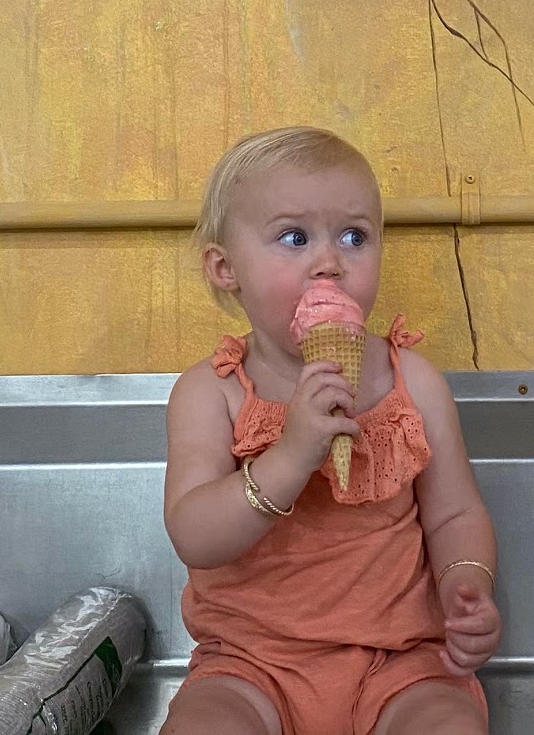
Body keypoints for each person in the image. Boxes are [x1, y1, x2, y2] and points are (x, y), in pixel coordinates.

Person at [160, 127, 500, 734]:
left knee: (450, 727)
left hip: (401, 662)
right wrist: (289, 455)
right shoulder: (210, 393)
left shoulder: (412, 383)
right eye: (294, 238)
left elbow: (454, 515)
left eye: (354, 236)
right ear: (225, 268)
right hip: (251, 664)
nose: (330, 263)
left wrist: (465, 583)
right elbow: (194, 536)